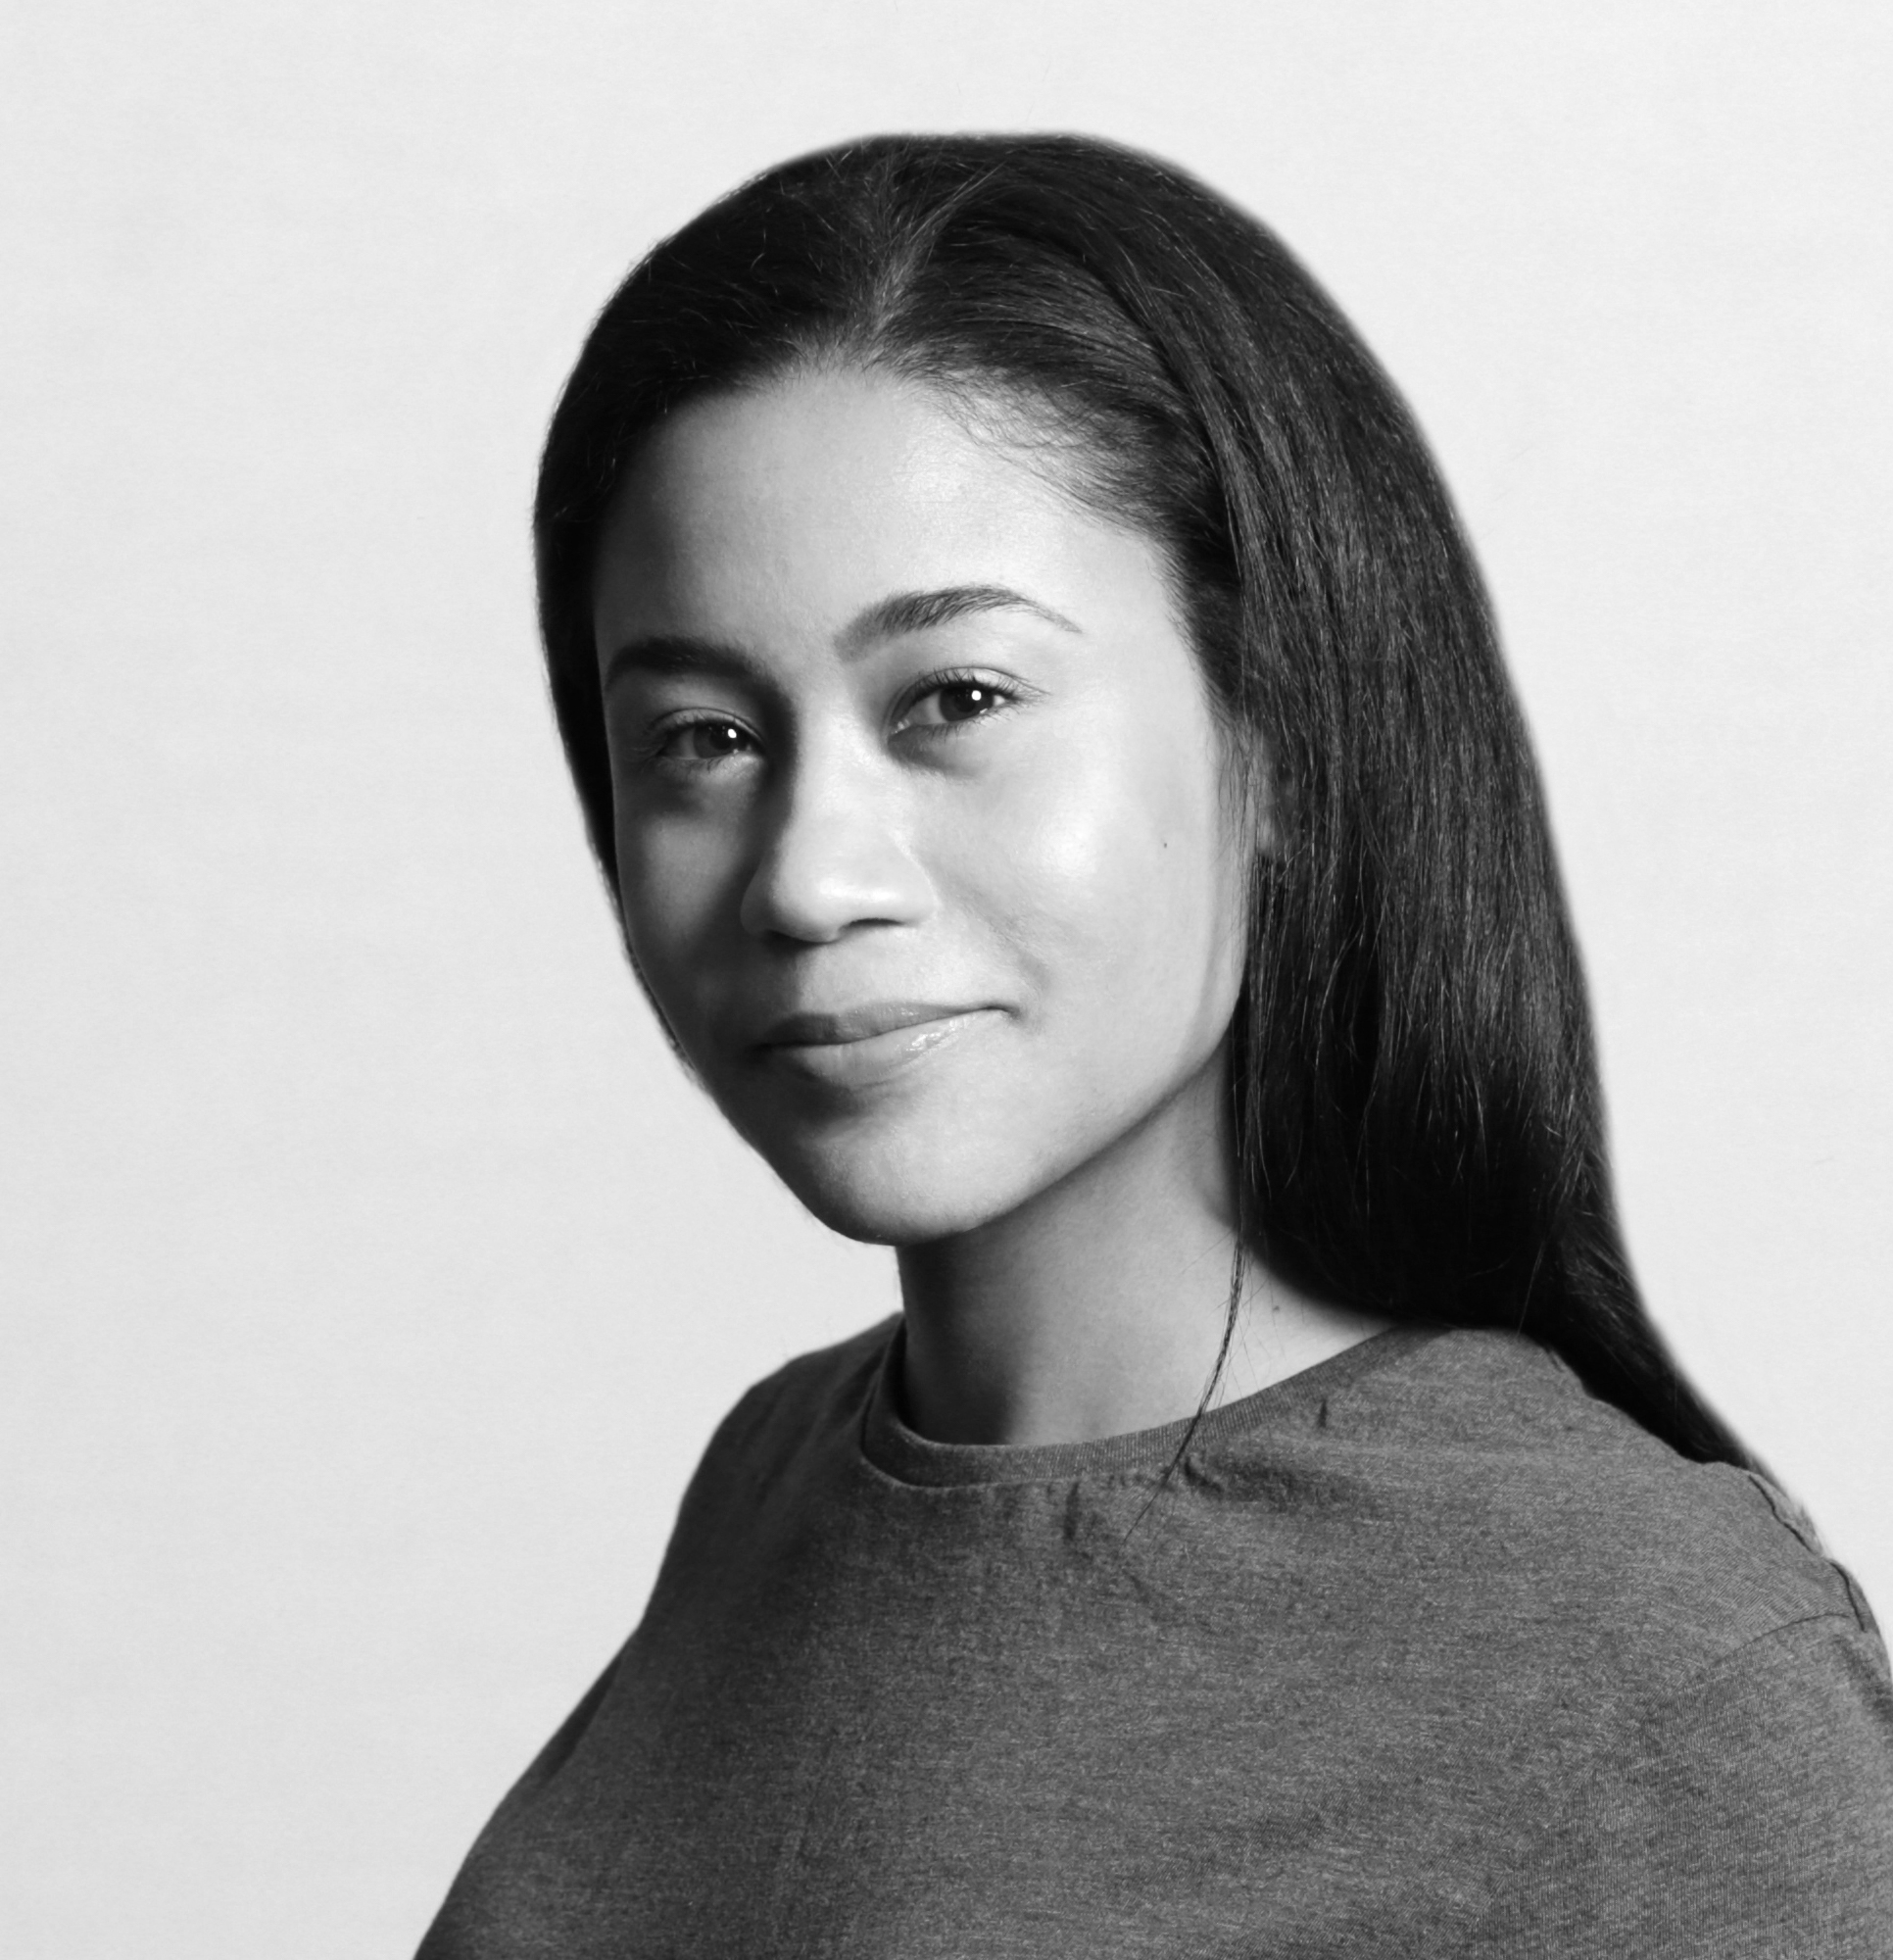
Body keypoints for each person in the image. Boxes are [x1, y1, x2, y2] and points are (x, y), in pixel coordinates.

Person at [416, 134, 1893, 1956]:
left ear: (1279, 733)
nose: (808, 875)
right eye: (703, 737)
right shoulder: (778, 1479)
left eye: (955, 699)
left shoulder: (1652, 1670)